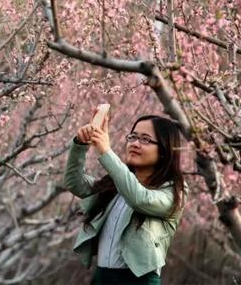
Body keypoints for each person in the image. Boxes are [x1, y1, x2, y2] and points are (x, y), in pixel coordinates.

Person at [64, 110, 188, 285]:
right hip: (102, 277)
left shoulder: (173, 192)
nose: (135, 144)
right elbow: (74, 183)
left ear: (164, 150)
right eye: (133, 137)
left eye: (145, 140)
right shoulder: (115, 185)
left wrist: (106, 152)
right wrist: (80, 145)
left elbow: (139, 199)